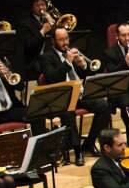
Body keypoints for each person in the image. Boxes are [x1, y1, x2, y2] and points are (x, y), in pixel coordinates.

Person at [39, 26, 112, 161]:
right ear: (53, 41)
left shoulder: (72, 53)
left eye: (66, 38)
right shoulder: (46, 57)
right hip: (62, 97)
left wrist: (83, 65)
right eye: (61, 40)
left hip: (80, 94)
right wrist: (67, 62)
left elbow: (87, 75)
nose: (65, 42)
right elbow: (52, 78)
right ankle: (77, 150)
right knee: (68, 113)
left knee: (104, 106)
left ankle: (89, 143)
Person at [17, 0, 53, 70]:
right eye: (37, 5)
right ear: (31, 7)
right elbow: (28, 45)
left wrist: (54, 26)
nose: (41, 8)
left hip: (50, 58)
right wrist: (42, 31)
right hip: (35, 62)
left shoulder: (49, 19)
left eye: (43, 4)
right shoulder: (25, 23)